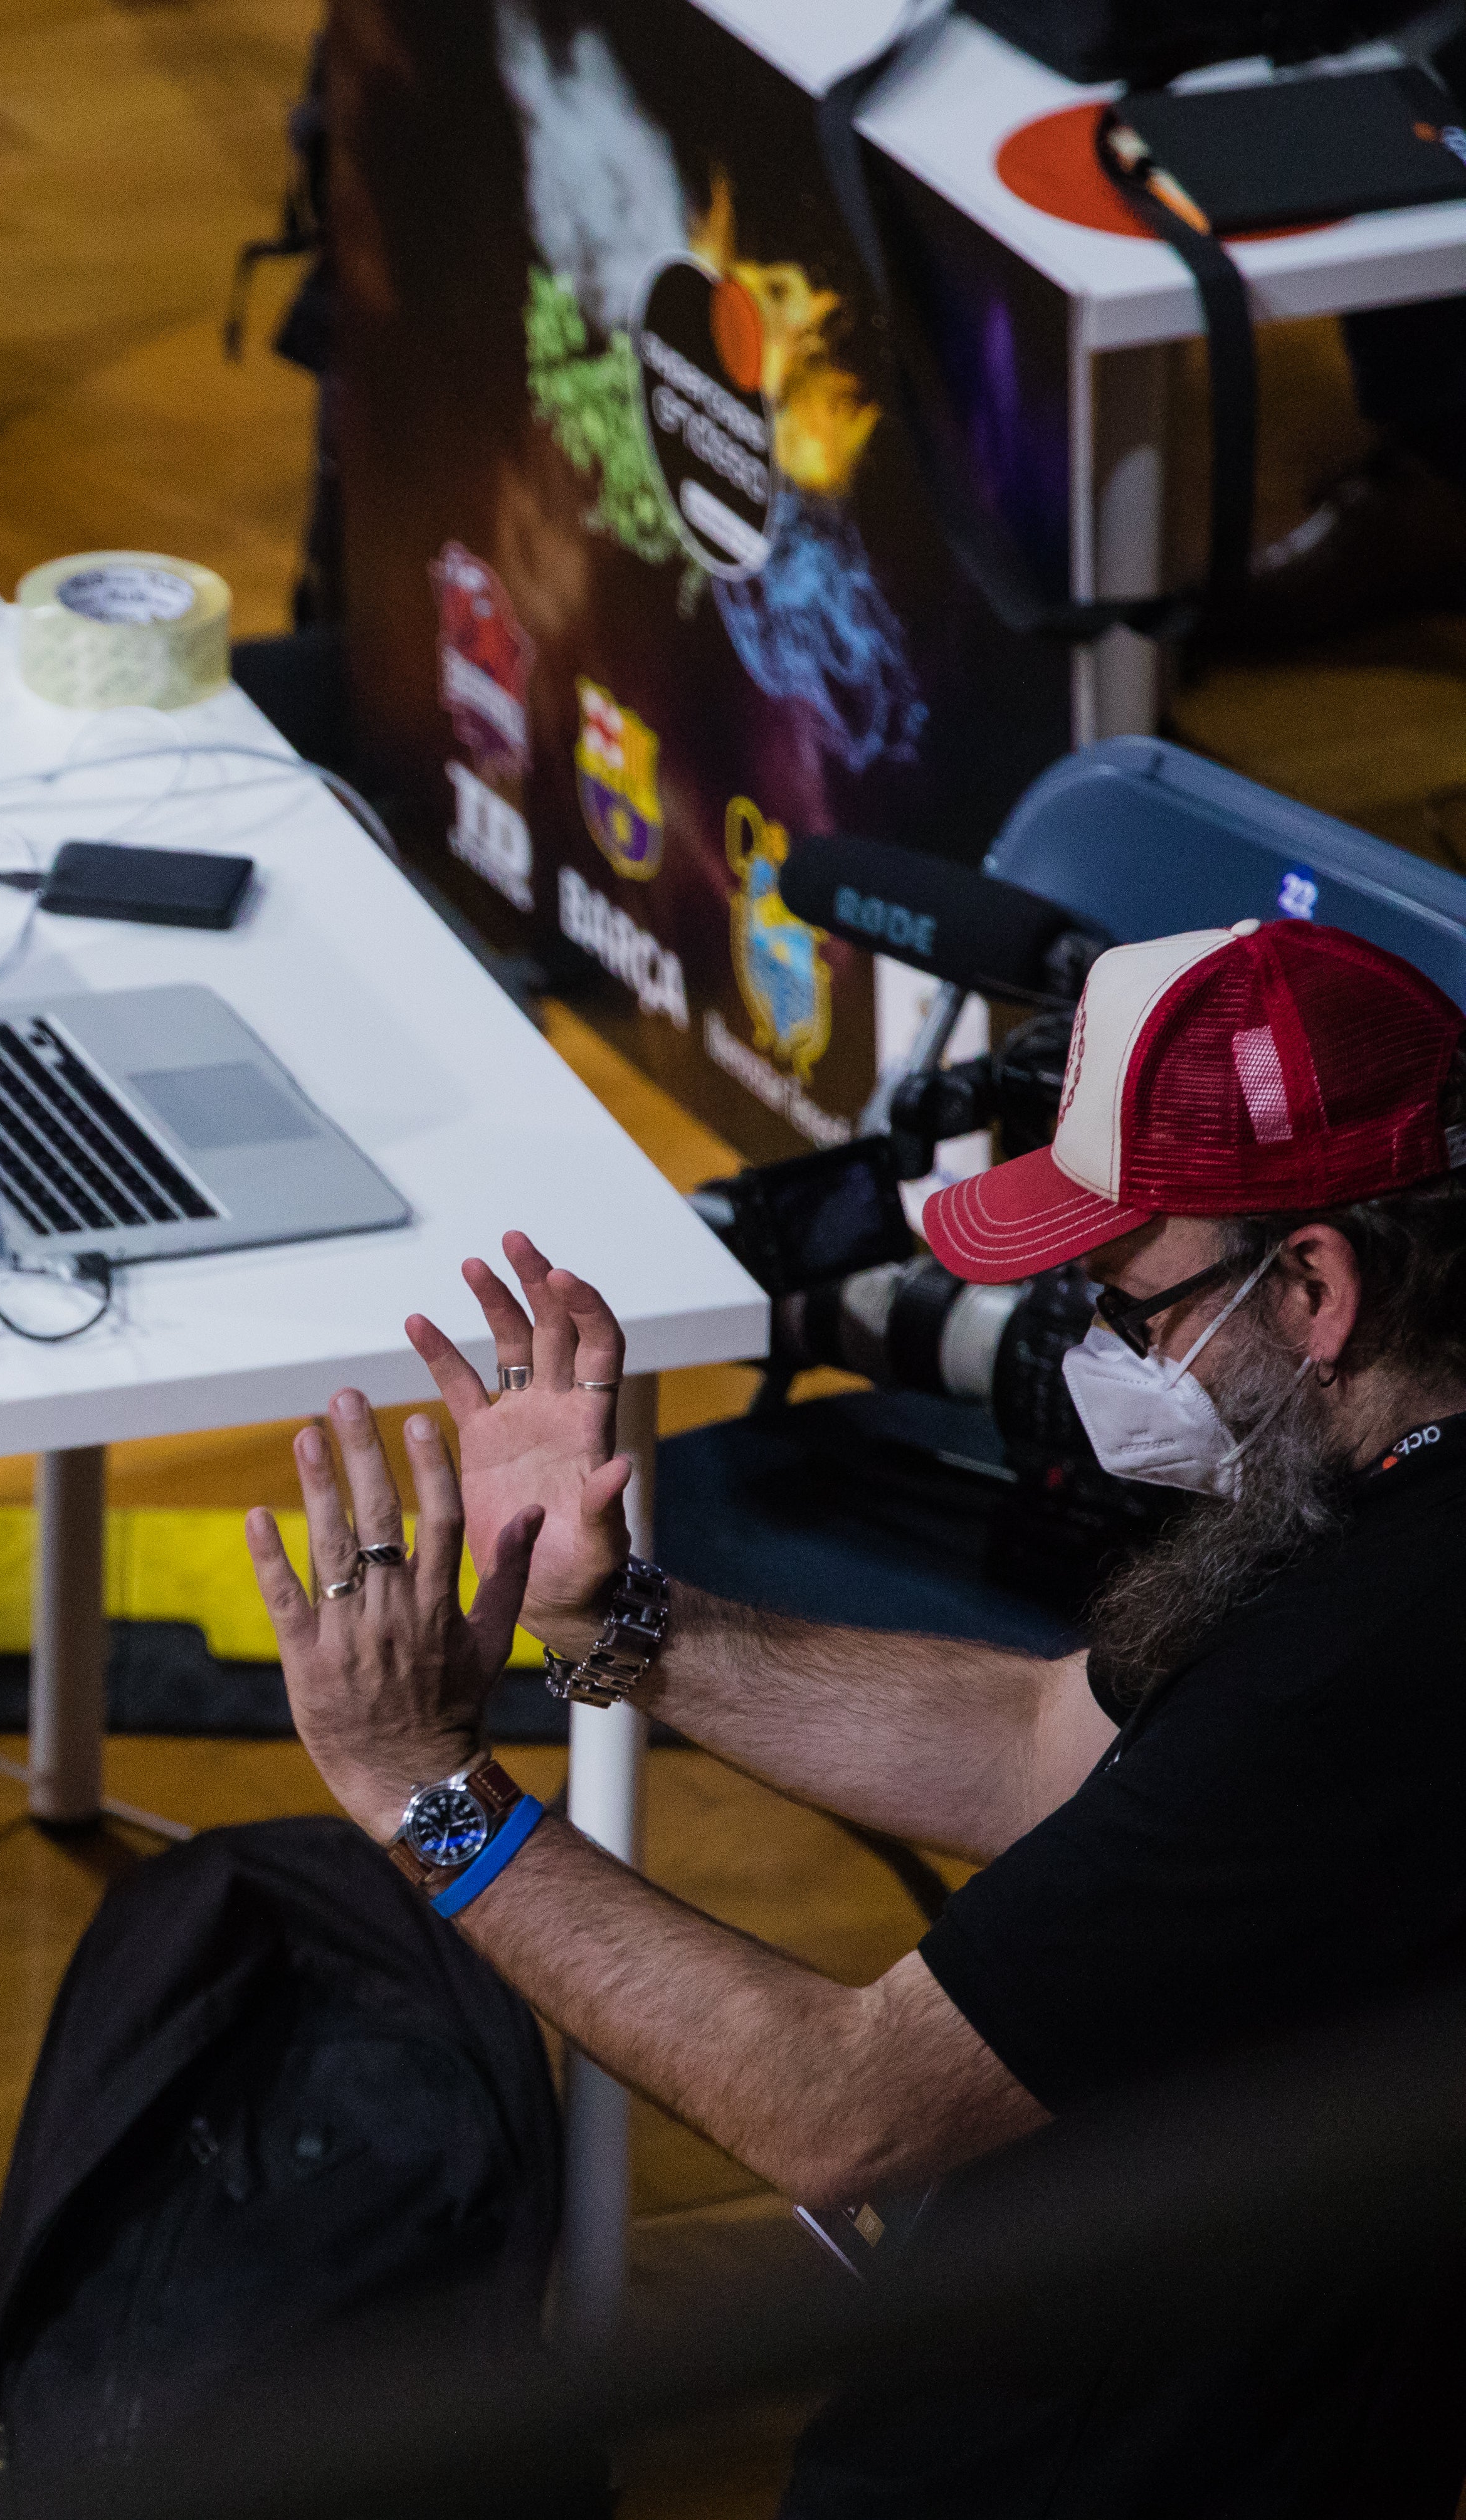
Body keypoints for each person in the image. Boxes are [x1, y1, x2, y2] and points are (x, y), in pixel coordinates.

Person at [249, 917, 1466, 2513]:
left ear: (1312, 1280)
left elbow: (841, 2105)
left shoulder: (1362, 1661)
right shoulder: (1366, 1502)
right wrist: (615, 1620)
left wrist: (427, 1792)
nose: (1108, 1357)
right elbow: (1038, 1749)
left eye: (1131, 1302)